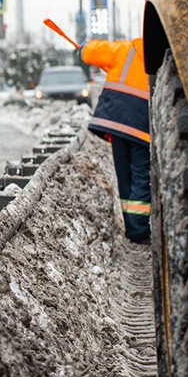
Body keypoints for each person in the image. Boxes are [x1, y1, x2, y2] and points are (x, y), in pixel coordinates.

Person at [79, 37, 150, 243]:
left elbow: (91, 53)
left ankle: (132, 226)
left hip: (116, 122)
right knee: (141, 177)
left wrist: (83, 48)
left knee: (125, 176)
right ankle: (138, 231)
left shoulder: (124, 49)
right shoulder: (162, 56)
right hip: (141, 126)